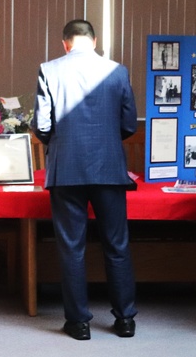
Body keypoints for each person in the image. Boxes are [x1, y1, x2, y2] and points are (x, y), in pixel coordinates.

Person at [31, 19, 138, 340]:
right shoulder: (117, 71)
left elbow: (42, 125)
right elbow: (129, 123)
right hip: (108, 168)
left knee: (71, 248)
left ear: (65, 43)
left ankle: (78, 323)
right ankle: (125, 320)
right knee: (117, 245)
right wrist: (104, 140)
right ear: (94, 40)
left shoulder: (49, 70)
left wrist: (65, 142)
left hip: (66, 170)